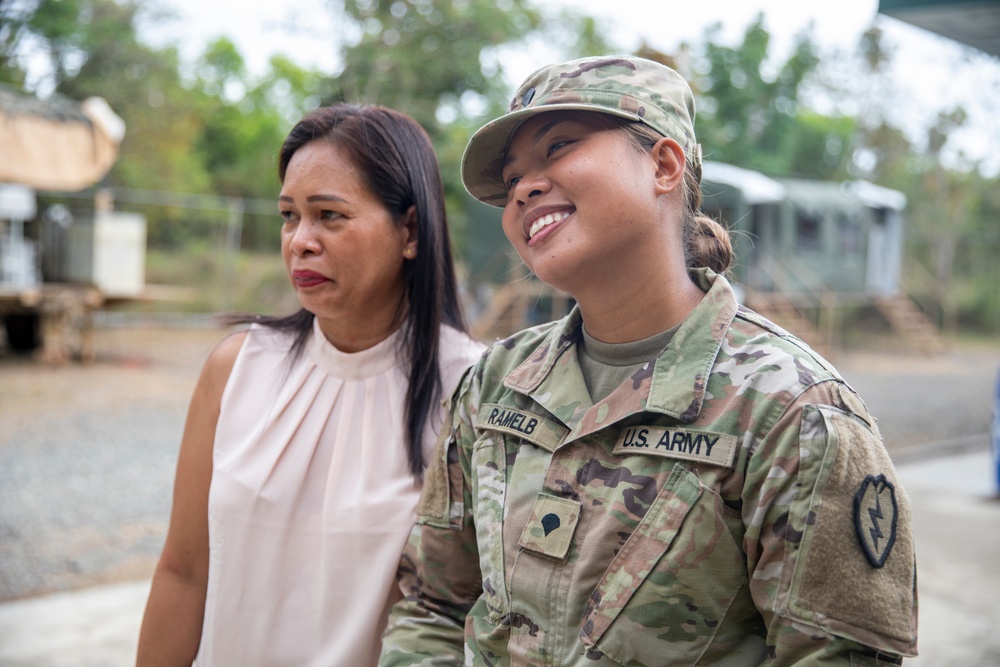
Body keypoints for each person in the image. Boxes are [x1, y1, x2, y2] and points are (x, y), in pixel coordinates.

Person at [379, 55, 918, 666]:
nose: (524, 188)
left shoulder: (794, 414)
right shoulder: (494, 385)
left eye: (558, 148)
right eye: (511, 180)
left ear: (663, 165)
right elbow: (433, 607)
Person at [136, 104, 485, 666]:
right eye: (289, 215)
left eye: (329, 215)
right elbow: (183, 571)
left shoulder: (470, 390)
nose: (300, 240)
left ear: (411, 231)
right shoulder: (237, 367)